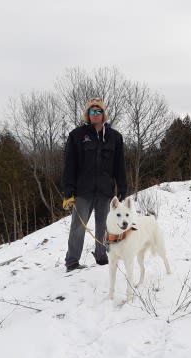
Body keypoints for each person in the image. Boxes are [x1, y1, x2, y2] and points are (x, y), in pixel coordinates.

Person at [61, 97, 128, 272]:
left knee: (104, 225)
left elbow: (119, 165)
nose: (95, 114)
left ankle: (101, 255)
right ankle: (72, 261)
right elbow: (69, 165)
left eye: (99, 111)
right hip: (83, 190)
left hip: (105, 191)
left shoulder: (115, 137)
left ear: (104, 114)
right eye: (92, 111)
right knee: (78, 227)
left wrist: (122, 187)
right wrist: (69, 191)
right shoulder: (77, 136)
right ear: (88, 114)